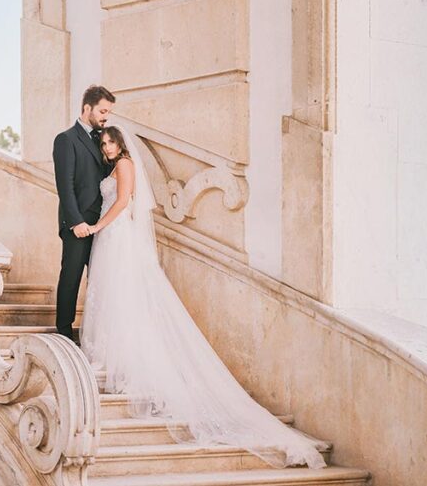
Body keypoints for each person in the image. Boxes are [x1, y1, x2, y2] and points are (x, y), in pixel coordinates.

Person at [79, 124, 327, 469]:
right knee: (113, 297)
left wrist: (96, 227)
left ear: (121, 144)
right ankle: (109, 357)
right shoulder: (116, 165)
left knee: (122, 296)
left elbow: (122, 202)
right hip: (113, 238)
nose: (106, 147)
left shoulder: (124, 165)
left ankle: (118, 362)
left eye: (110, 142)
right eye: (103, 142)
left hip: (116, 235)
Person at [51, 85, 115, 345]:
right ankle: (64, 334)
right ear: (86, 107)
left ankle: (98, 337)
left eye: (108, 112)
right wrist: (76, 221)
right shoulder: (66, 139)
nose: (105, 117)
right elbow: (64, 186)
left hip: (103, 223)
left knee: (100, 280)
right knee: (71, 276)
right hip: (78, 222)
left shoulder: (104, 138)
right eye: (102, 111)